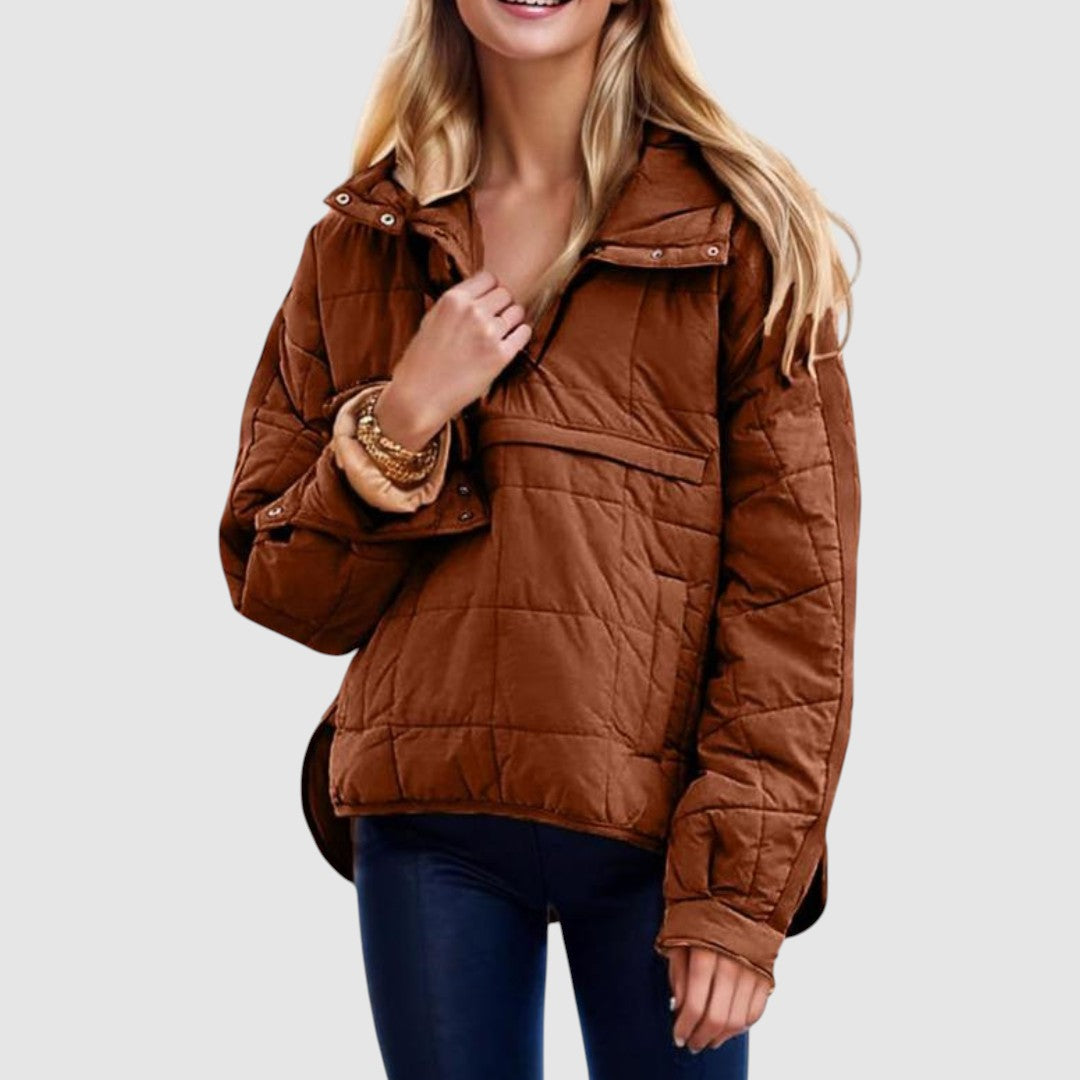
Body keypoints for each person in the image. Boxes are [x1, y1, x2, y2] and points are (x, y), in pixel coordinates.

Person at [218, 1, 861, 1076]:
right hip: (428, 820)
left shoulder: (741, 232)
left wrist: (740, 894)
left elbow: (797, 607)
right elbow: (284, 590)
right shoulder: (360, 242)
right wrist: (401, 421)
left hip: (663, 838)